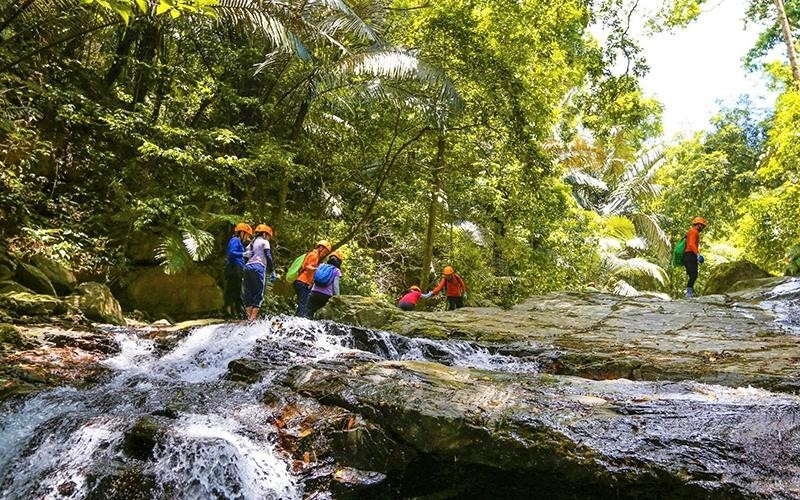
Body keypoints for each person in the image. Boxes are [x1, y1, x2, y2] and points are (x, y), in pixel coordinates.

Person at [242, 224, 276, 322]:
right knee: (258, 292)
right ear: (265, 234)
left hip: (247, 267)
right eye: (269, 236)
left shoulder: (251, 243)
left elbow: (245, 257)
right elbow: (268, 256)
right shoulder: (265, 242)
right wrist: (272, 270)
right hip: (258, 267)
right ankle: (253, 319)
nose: (269, 238)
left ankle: (249, 317)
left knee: (248, 291)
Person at [294, 240, 332, 318]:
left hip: (301, 281)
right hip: (303, 282)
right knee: (304, 304)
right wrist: (311, 282)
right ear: (321, 248)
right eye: (325, 252)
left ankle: (296, 319)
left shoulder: (314, 255)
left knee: (302, 303)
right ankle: (299, 321)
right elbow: (309, 268)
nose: (324, 254)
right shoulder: (314, 255)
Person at [223, 223, 252, 319]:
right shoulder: (235, 240)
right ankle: (229, 312)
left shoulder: (239, 242)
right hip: (233, 267)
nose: (247, 237)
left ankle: (236, 312)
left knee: (237, 290)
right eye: (247, 235)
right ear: (242, 233)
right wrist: (243, 254)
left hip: (237, 267)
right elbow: (231, 253)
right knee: (233, 289)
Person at [308, 251, 343, 318]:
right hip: (326, 296)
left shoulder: (321, 265)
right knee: (322, 317)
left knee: (308, 313)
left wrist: (310, 287)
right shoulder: (336, 270)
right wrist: (338, 297)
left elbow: (314, 278)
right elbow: (335, 286)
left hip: (314, 292)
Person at [683, 216, 707, 298]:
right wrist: (697, 254)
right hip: (690, 255)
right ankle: (688, 293)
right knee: (694, 275)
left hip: (688, 255)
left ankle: (689, 292)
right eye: (702, 226)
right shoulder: (694, 232)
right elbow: (691, 244)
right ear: (698, 225)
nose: (703, 228)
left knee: (692, 274)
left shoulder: (691, 232)